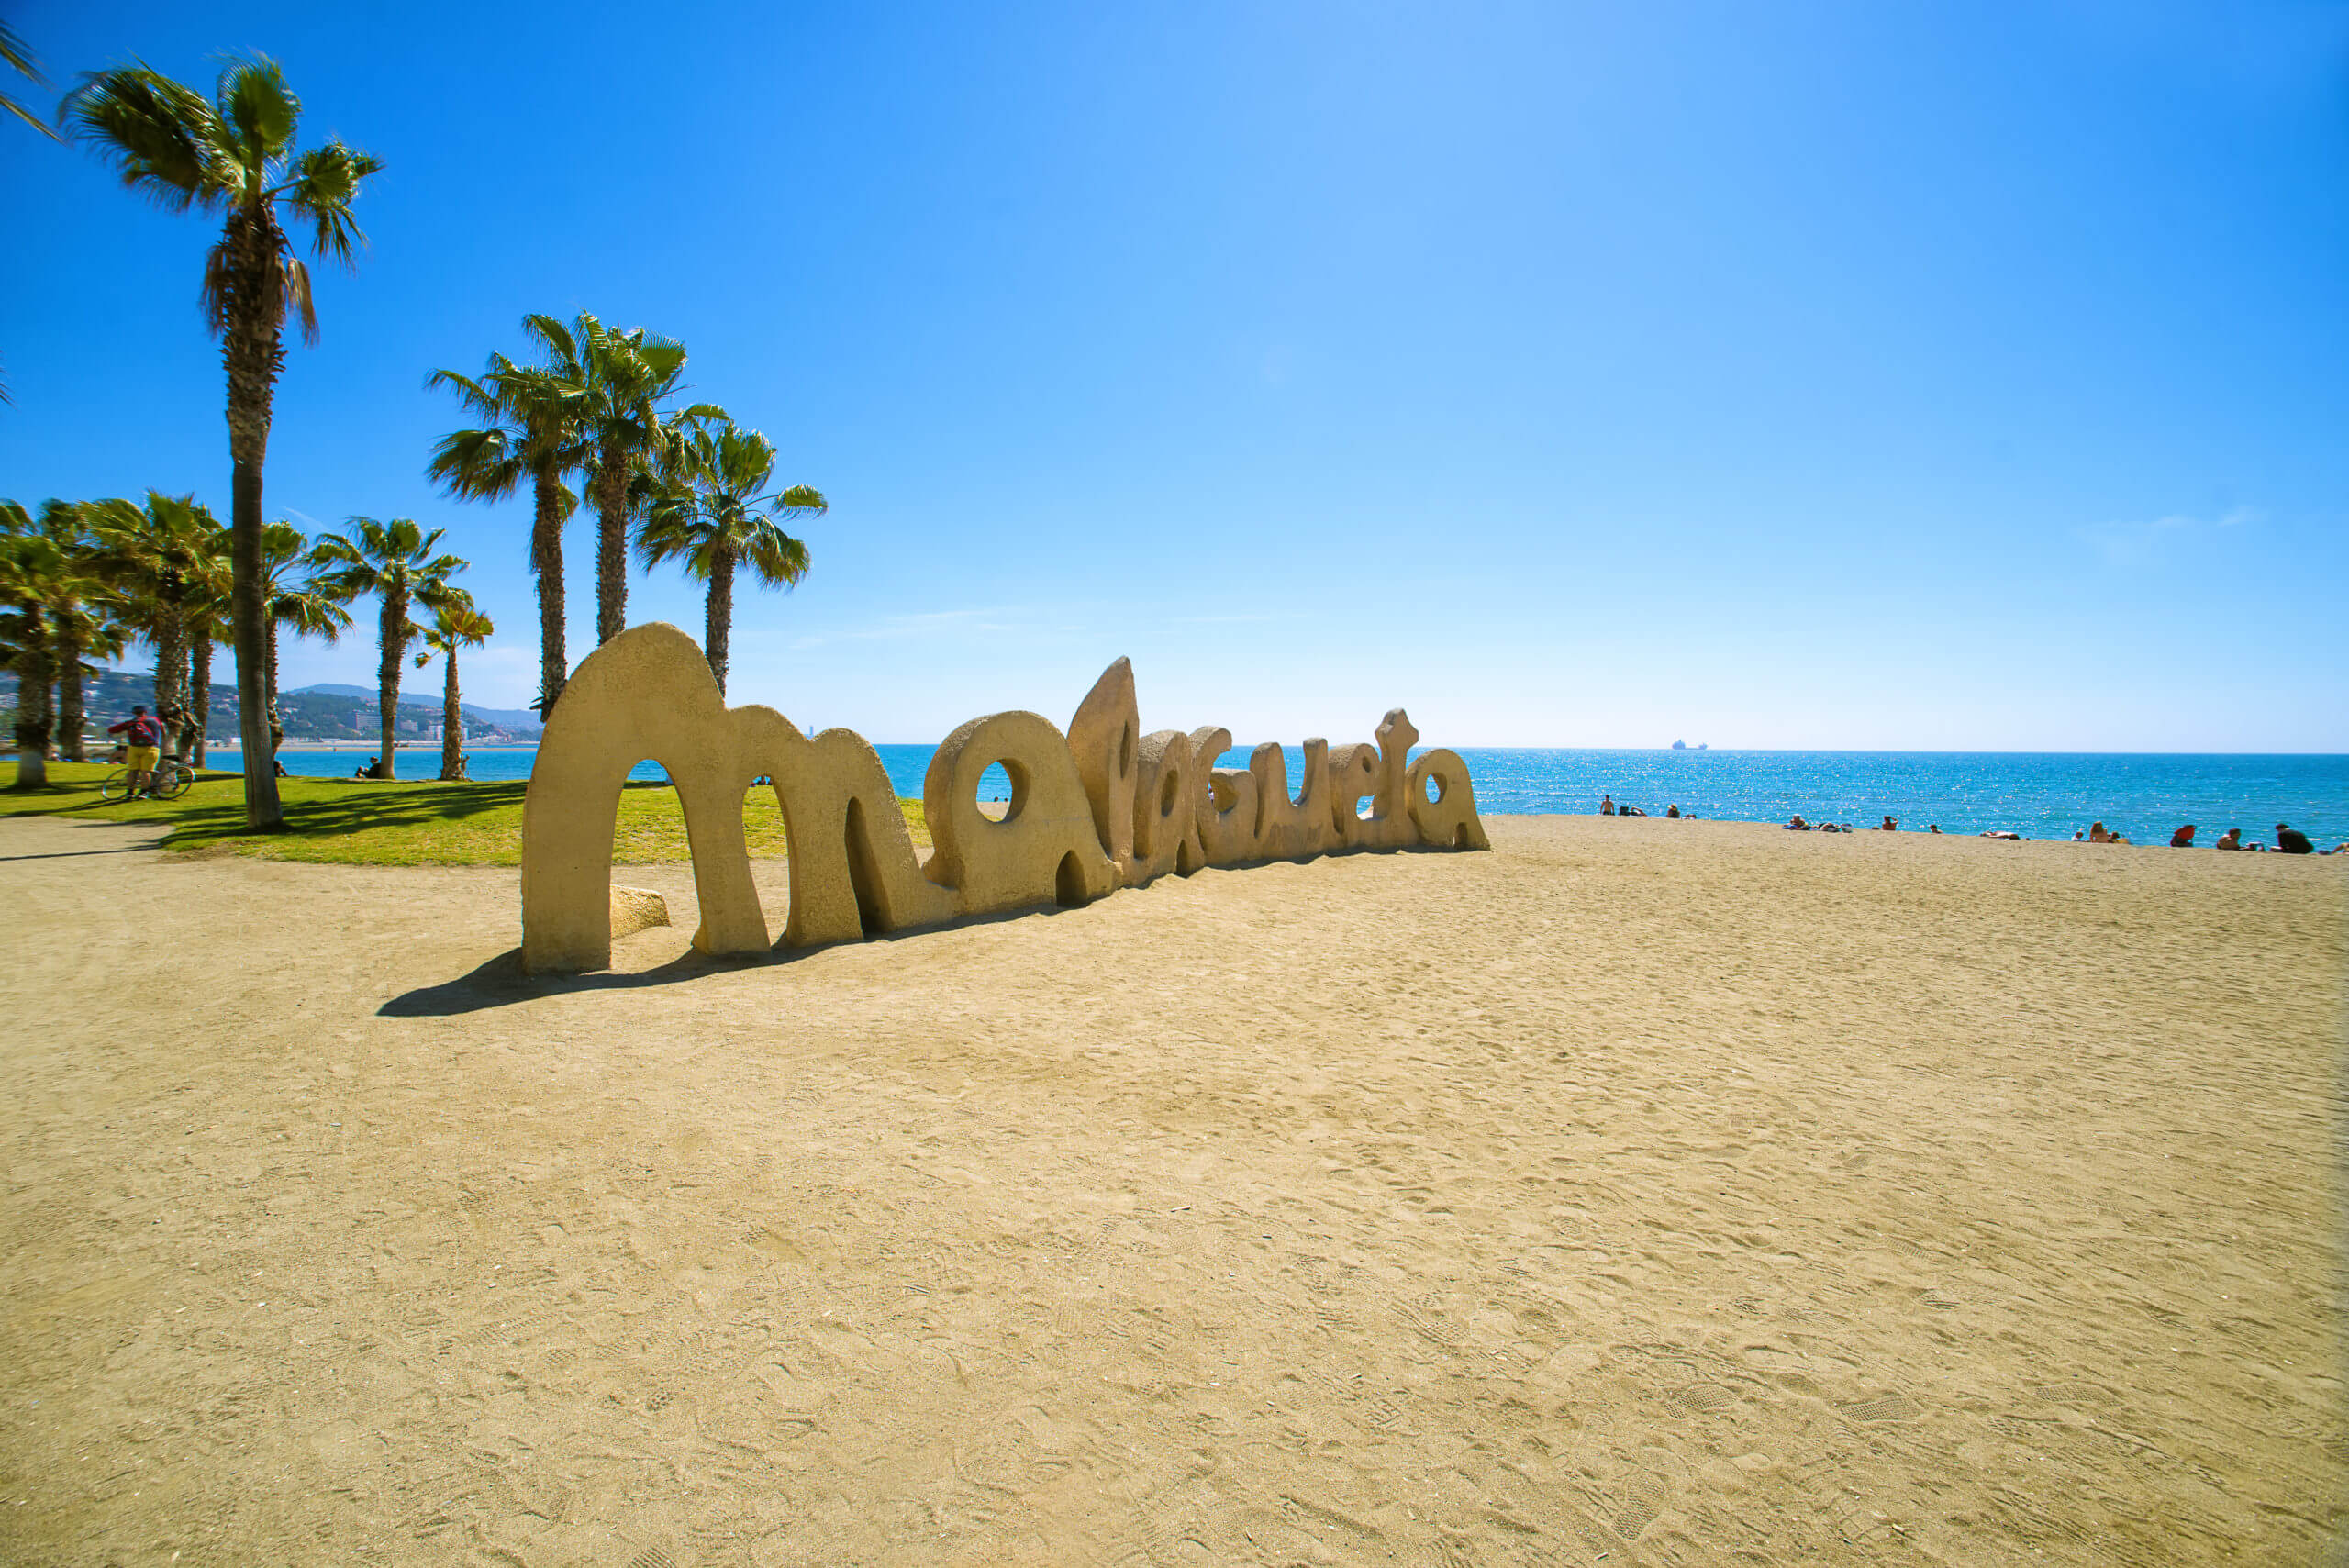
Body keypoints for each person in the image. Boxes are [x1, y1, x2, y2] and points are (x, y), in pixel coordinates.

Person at [105, 705, 166, 796]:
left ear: (134, 713)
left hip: (134, 748)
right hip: (151, 748)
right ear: (145, 712)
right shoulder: (155, 720)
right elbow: (163, 732)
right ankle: (143, 793)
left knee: (132, 771)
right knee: (146, 772)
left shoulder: (130, 723)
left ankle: (130, 792)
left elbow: (112, 730)